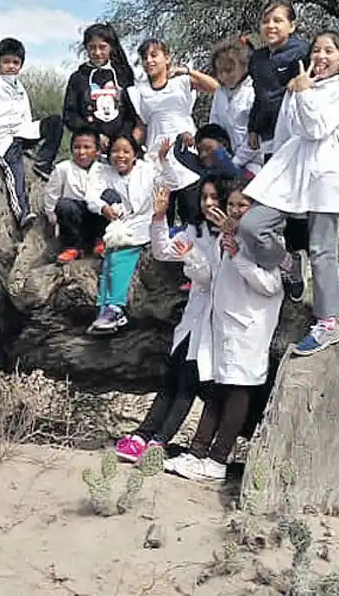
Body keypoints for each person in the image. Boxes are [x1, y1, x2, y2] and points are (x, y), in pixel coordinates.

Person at [237, 32, 339, 358]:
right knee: (252, 226)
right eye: (316, 50)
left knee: (322, 249)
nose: (320, 56)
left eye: (328, 51)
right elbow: (287, 132)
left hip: (324, 170)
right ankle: (288, 263)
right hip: (291, 166)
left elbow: (317, 129)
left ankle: (329, 320)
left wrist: (303, 94)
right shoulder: (298, 87)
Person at [163, 178, 282, 483]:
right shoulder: (222, 238)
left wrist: (239, 256)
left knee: (238, 389)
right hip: (221, 325)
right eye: (232, 204)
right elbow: (210, 279)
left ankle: (218, 459)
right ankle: (198, 452)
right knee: (217, 389)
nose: (236, 210)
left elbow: (271, 286)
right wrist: (190, 254)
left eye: (244, 205)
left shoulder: (268, 242)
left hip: (249, 328)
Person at [114, 179, 230, 464]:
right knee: (172, 376)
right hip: (193, 316)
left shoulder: (231, 239)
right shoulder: (196, 231)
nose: (208, 203)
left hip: (215, 319)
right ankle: (144, 435)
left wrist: (191, 258)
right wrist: (159, 216)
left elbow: (214, 279)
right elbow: (162, 250)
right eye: (204, 197)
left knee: (189, 382)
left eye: (215, 197)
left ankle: (160, 441)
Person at [245, 0, 311, 298]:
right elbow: (260, 97)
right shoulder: (258, 59)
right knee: (274, 204)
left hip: (297, 140)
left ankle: (300, 259)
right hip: (271, 140)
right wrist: (253, 126)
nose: (270, 26)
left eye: (278, 20)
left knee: (298, 207)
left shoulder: (302, 52)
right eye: (266, 21)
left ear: (292, 26)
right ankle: (285, 261)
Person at [0, 38, 63, 228]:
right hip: (1, 138)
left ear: (21, 65)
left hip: (21, 131)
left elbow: (26, 114)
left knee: (55, 122)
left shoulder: (20, 87)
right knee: (15, 173)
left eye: (15, 62)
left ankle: (43, 162)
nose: (11, 66)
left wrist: (31, 135)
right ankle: (22, 213)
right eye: (6, 62)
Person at [129, 39, 218, 229]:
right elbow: (141, 127)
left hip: (187, 156)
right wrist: (128, 149)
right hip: (157, 159)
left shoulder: (182, 82)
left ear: (166, 58)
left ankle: (196, 256)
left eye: (154, 55)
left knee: (193, 214)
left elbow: (215, 87)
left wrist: (188, 71)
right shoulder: (139, 92)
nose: (149, 61)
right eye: (145, 58)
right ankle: (164, 257)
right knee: (161, 216)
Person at [85, 135, 163, 335]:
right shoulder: (105, 172)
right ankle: (103, 309)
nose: (120, 156)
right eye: (116, 151)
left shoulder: (147, 171)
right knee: (109, 262)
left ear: (135, 154)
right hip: (121, 225)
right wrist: (103, 208)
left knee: (120, 255)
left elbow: (167, 178)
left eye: (126, 151)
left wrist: (164, 159)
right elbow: (91, 196)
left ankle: (116, 308)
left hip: (145, 225)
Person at [59, 23, 139, 156]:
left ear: (111, 48)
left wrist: (120, 140)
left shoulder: (123, 74)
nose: (97, 52)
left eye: (102, 47)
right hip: (88, 150)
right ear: (86, 48)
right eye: (92, 47)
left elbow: (131, 114)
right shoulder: (78, 78)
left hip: (120, 149)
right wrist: (94, 135)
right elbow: (70, 115)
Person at [43, 129, 112, 263]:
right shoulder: (63, 168)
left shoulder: (105, 170)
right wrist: (54, 221)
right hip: (75, 220)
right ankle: (73, 247)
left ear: (97, 151)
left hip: (98, 217)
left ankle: (101, 240)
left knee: (110, 196)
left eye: (87, 147)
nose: (81, 152)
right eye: (77, 147)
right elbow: (51, 197)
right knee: (64, 204)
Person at [207, 37, 258, 176]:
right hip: (226, 161)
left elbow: (256, 136)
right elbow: (215, 126)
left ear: (244, 65)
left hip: (255, 163)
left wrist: (237, 161)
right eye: (220, 72)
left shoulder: (254, 90)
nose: (224, 76)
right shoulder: (220, 93)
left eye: (229, 70)